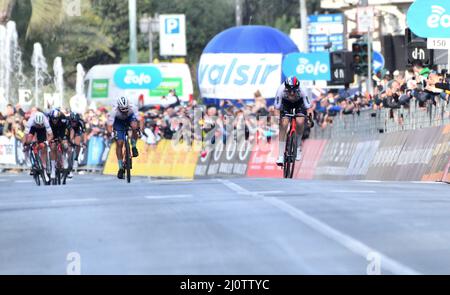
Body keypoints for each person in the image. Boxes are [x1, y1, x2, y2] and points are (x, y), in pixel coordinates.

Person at [274, 76, 313, 166]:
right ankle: (280, 156)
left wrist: (310, 120)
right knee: (283, 124)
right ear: (286, 87)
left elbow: (309, 109)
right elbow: (276, 108)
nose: (292, 93)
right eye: (289, 90)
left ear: (298, 88)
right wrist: (277, 120)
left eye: (294, 90)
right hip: (286, 104)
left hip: (299, 103)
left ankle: (298, 146)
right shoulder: (280, 90)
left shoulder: (303, 90)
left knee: (300, 121)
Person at [107, 96, 141, 179]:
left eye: (126, 109)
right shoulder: (113, 111)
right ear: (118, 107)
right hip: (118, 122)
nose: (125, 111)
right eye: (123, 109)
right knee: (119, 143)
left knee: (134, 127)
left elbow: (140, 120)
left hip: (130, 118)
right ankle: (121, 168)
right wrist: (111, 133)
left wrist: (139, 130)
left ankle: (133, 146)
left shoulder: (133, 107)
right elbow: (109, 125)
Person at [23, 111, 53, 181]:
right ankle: (32, 163)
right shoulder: (31, 121)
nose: (39, 126)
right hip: (33, 128)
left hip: (42, 130)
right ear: (35, 122)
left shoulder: (45, 121)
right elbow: (25, 134)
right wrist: (25, 144)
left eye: (40, 124)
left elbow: (51, 135)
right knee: (28, 141)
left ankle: (44, 168)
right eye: (38, 124)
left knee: (43, 147)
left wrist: (46, 142)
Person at [48, 108, 70, 181]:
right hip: (52, 131)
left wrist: (64, 139)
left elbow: (66, 130)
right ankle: (53, 169)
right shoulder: (48, 119)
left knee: (65, 145)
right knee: (53, 147)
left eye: (56, 119)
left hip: (62, 129)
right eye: (53, 119)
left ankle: (64, 157)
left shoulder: (63, 119)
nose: (54, 120)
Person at [68, 111, 86, 176]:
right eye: (72, 121)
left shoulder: (81, 122)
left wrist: (84, 143)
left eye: (75, 122)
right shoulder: (67, 121)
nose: (74, 123)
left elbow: (84, 133)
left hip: (78, 130)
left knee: (77, 143)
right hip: (69, 130)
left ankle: (76, 158)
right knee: (68, 143)